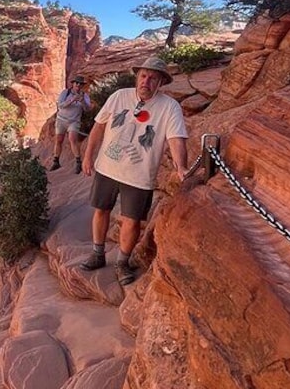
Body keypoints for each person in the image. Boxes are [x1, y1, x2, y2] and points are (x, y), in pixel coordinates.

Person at [79, 56, 188, 285]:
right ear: (137, 76)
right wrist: (88, 156)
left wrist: (181, 167)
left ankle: (122, 262)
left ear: (160, 83)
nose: (146, 81)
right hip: (107, 167)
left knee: (132, 221)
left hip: (139, 175)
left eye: (153, 78)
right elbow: (99, 126)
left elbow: (176, 139)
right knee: (101, 210)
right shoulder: (119, 96)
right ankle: (98, 254)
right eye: (143, 76)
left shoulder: (169, 107)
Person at [50, 75, 92, 174]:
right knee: (59, 140)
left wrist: (82, 101)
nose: (78, 85)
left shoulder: (84, 96)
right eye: (76, 83)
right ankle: (56, 161)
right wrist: (72, 100)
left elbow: (87, 109)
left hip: (74, 121)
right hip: (61, 120)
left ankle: (78, 162)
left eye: (80, 84)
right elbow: (60, 105)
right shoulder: (66, 93)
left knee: (72, 139)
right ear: (73, 84)